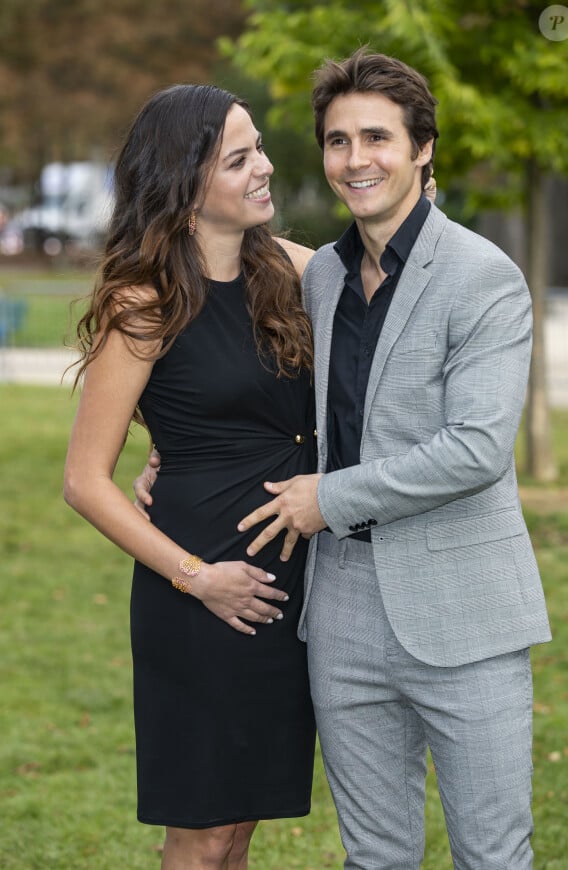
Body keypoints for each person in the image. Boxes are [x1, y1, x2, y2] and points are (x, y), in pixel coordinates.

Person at [234, 50, 552, 869]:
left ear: (423, 149)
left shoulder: (483, 277)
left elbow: (477, 448)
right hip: (341, 612)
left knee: (493, 853)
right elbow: (279, 405)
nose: (355, 159)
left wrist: (329, 498)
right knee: (374, 858)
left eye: (377, 137)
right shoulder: (323, 278)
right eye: (338, 141)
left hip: (466, 611)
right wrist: (170, 453)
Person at [63, 83, 318, 870]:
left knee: (239, 828)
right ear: (184, 184)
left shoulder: (297, 271)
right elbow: (83, 481)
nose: (265, 168)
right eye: (239, 159)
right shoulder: (143, 305)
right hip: (204, 593)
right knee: (202, 834)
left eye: (259, 147)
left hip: (295, 584)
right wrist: (197, 577)